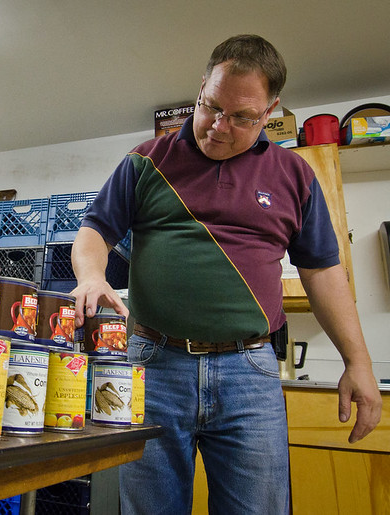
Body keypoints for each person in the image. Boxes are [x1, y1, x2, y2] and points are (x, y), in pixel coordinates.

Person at [71, 34, 382, 514]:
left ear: (270, 110)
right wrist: (92, 276)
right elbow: (95, 229)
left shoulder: (294, 175)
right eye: (210, 106)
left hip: (250, 372)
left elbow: (323, 271)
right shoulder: (147, 159)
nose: (218, 126)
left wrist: (357, 362)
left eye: (241, 118)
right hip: (153, 365)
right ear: (201, 86)